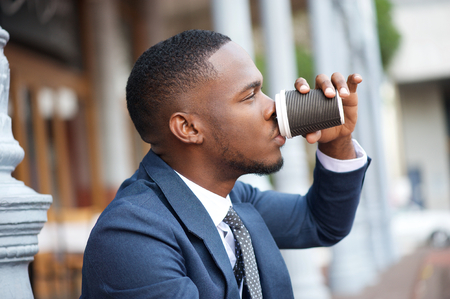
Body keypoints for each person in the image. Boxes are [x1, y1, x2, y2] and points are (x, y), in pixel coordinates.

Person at [81, 29, 369, 299]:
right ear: (189, 128)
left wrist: (336, 142)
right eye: (250, 96)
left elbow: (319, 223)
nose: (273, 107)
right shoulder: (131, 236)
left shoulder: (230, 198)